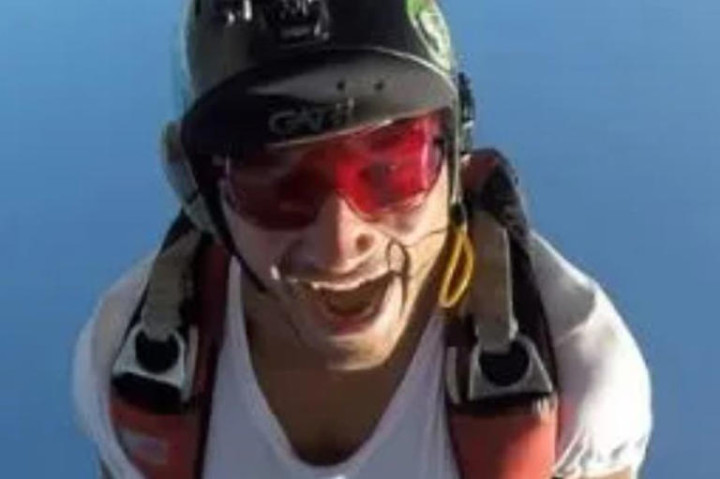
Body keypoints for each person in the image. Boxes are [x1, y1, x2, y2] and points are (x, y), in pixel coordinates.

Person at [73, 0, 652, 477]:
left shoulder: (579, 381)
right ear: (202, 198)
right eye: (274, 184)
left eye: (389, 167)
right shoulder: (123, 371)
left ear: (454, 153)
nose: (338, 245)